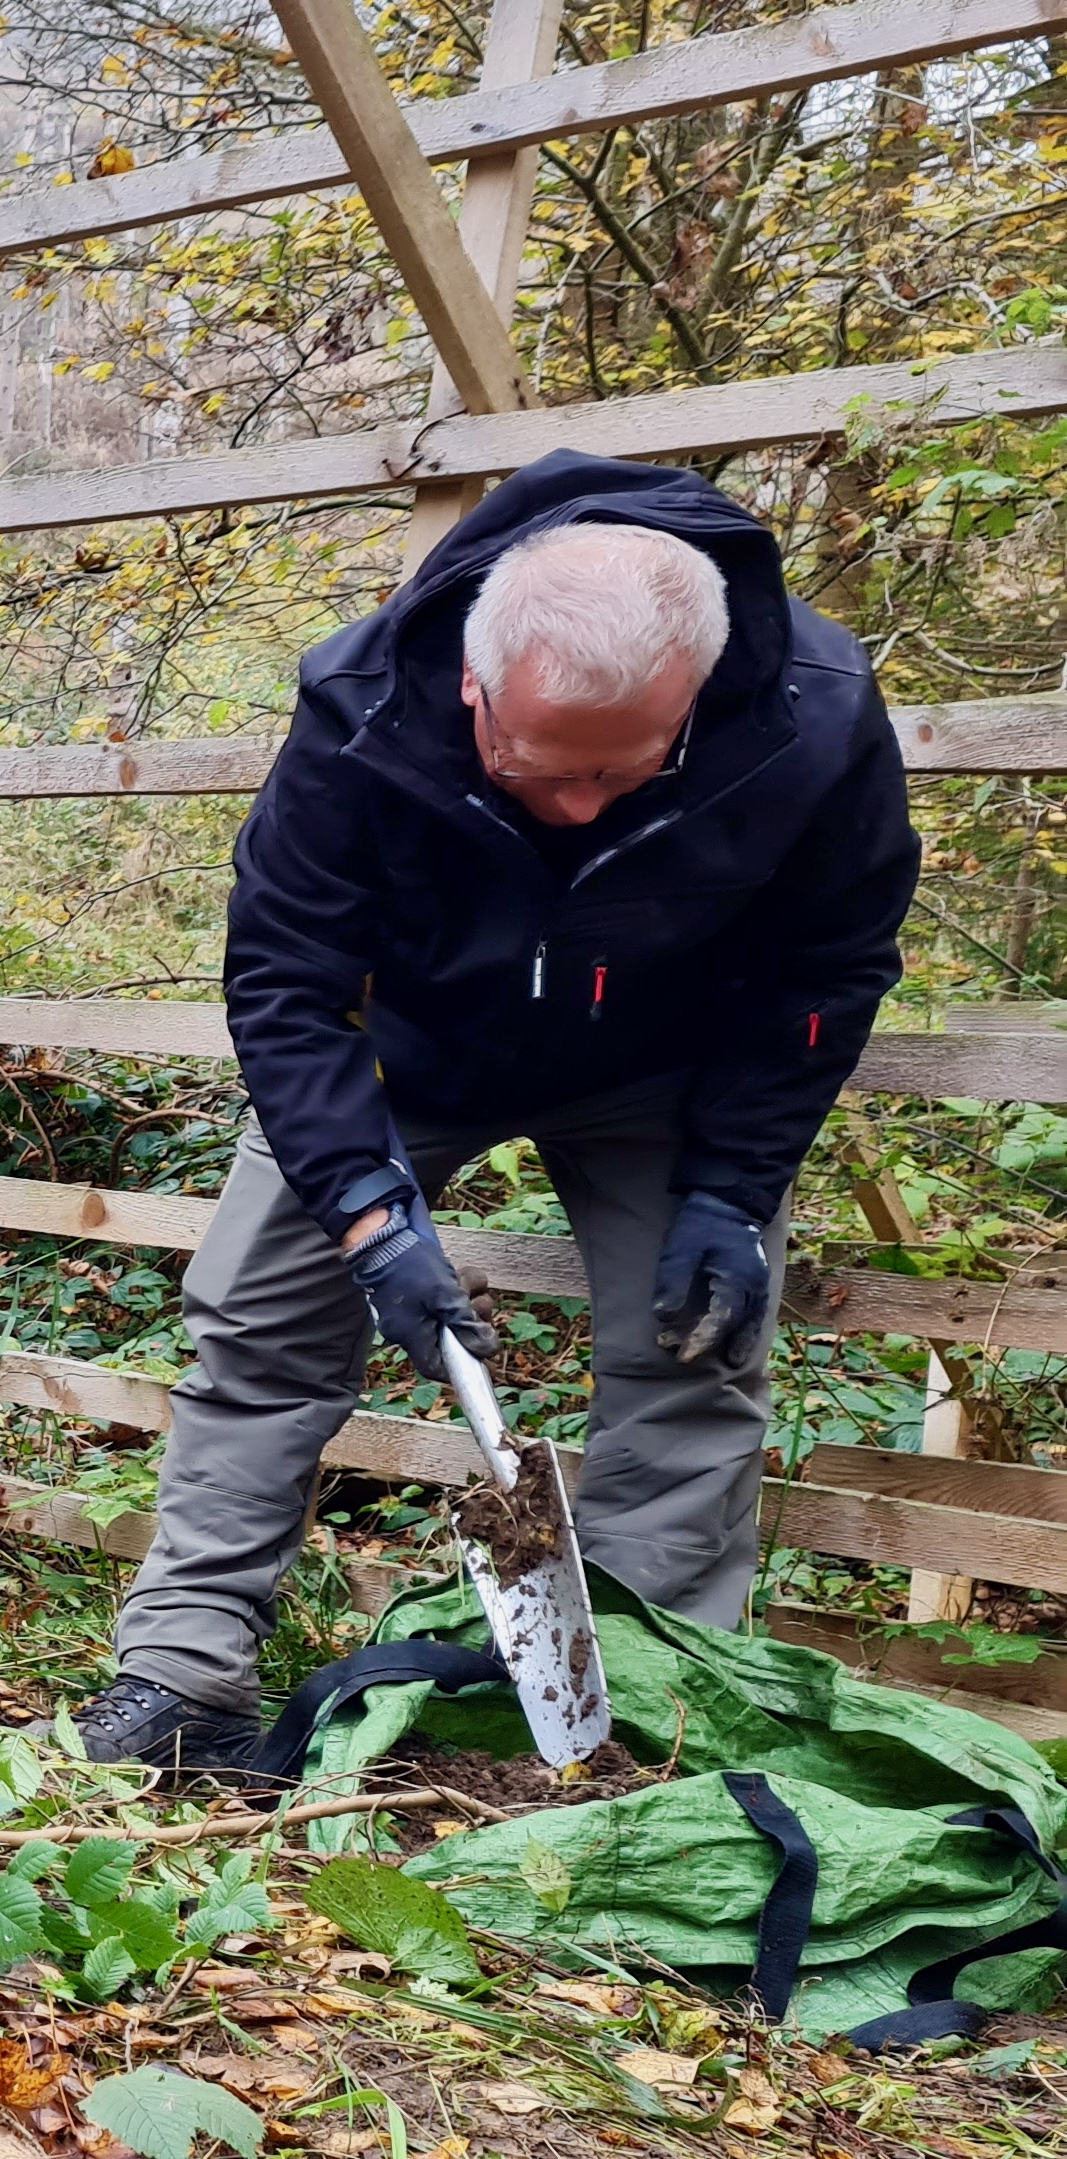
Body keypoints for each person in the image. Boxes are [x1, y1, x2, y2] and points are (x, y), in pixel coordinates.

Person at [77, 455, 920, 1773]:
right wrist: (369, 1218)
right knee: (262, 1316)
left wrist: (732, 1188)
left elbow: (830, 967)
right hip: (407, 1050)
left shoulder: (814, 717)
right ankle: (181, 1681)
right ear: (474, 684)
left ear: (695, 694)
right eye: (536, 768)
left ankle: (633, 1722)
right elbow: (287, 978)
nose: (578, 807)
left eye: (622, 774)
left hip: (666, 1062)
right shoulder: (361, 702)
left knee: (697, 1351)